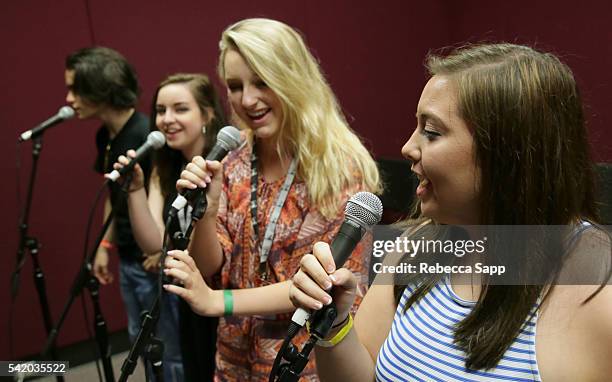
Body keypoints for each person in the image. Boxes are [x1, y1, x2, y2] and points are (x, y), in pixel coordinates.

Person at [290, 43, 612, 381]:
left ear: (505, 155)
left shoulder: (595, 290)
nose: (407, 148)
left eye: (431, 132)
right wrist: (335, 326)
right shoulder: (415, 248)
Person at [162, 18, 382, 381]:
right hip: (234, 356)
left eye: (262, 81)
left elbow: (320, 283)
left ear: (292, 78)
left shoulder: (337, 167)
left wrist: (219, 301)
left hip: (298, 361)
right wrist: (208, 211)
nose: (247, 100)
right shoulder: (236, 158)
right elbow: (210, 264)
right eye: (235, 86)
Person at [111, 73, 226, 381]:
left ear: (207, 114)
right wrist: (134, 189)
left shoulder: (227, 165)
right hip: (191, 299)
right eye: (161, 110)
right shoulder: (164, 167)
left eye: (180, 109)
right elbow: (153, 244)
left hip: (227, 297)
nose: (167, 119)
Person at [64, 46, 157, 359]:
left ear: (100, 88)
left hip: (153, 265)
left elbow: (171, 198)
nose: (69, 99)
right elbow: (113, 193)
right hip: (129, 260)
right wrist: (105, 245)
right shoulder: (105, 136)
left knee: (165, 348)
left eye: (75, 89)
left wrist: (163, 250)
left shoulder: (147, 135)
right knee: (138, 342)